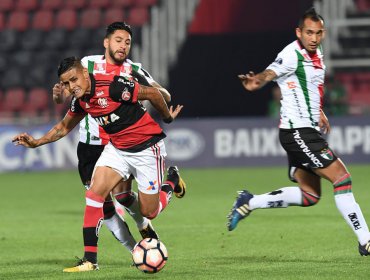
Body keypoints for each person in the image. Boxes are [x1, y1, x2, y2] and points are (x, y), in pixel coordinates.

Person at [13, 56, 186, 271]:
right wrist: (37, 142)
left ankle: (171, 180)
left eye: (74, 79)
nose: (71, 86)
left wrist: (167, 117)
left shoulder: (113, 85)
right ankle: (90, 260)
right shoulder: (81, 100)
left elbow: (152, 93)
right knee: (95, 195)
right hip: (117, 149)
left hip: (146, 148)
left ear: (85, 73)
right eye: (66, 83)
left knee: (149, 212)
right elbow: (63, 127)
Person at [227, 7, 370, 257]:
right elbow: (270, 73)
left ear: (323, 33)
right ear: (298, 32)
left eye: (318, 33)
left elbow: (309, 86)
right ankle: (366, 241)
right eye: (308, 33)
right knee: (342, 179)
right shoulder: (292, 54)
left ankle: (249, 201)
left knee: (310, 195)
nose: (313, 38)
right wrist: (255, 82)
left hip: (305, 129)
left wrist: (319, 112)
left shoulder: (317, 54)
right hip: (298, 133)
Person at [52, 22, 165, 254]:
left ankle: (144, 223)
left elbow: (161, 93)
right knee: (102, 205)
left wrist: (135, 94)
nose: (122, 46)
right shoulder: (86, 64)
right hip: (90, 146)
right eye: (118, 40)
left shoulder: (133, 69)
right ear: (106, 42)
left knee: (123, 197)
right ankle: (135, 251)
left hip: (118, 141)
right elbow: (67, 95)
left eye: (127, 42)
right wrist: (57, 97)